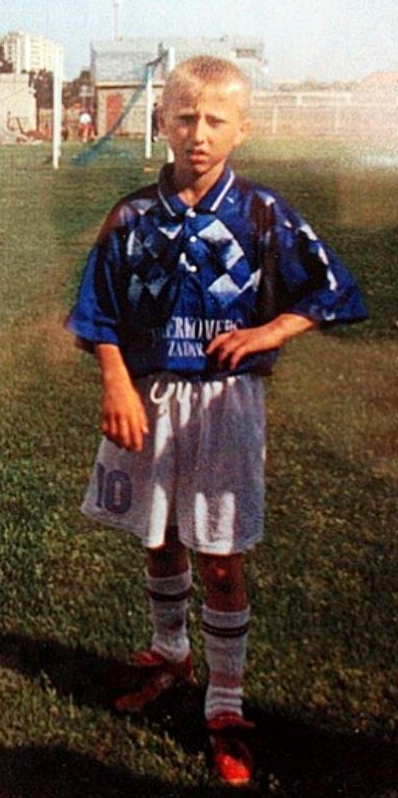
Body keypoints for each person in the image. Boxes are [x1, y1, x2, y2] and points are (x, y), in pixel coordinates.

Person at [66, 56, 367, 786]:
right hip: (146, 395)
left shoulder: (264, 213)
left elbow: (330, 288)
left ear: (241, 127)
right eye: (184, 118)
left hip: (226, 403)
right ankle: (170, 651)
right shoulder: (132, 215)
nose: (197, 135)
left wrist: (267, 334)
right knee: (158, 535)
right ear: (162, 121)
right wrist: (114, 379)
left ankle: (225, 701)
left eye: (214, 120)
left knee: (222, 553)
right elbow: (98, 307)